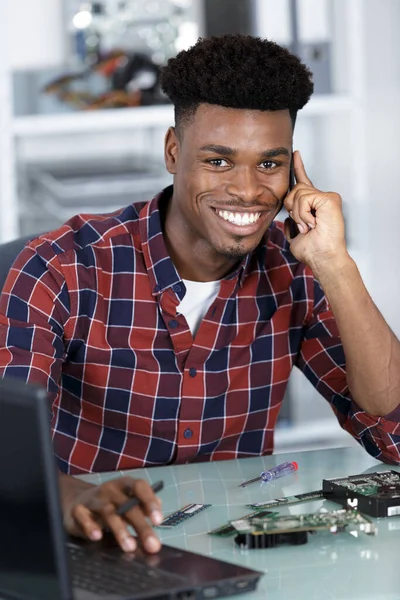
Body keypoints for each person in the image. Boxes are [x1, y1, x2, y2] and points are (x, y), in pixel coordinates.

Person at [1, 34, 399, 554]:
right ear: (173, 151)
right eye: (218, 161)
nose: (247, 190)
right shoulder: (61, 269)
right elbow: (6, 453)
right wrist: (73, 496)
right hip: (96, 548)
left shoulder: (295, 269)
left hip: (239, 549)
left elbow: (391, 431)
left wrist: (336, 264)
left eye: (269, 164)